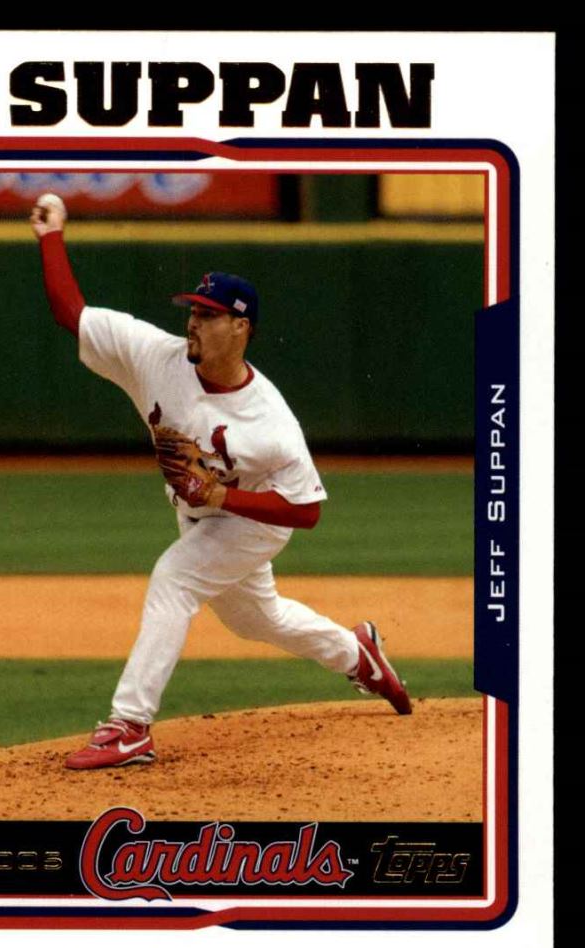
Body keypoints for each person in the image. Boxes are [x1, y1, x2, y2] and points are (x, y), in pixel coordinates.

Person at [30, 195, 412, 771]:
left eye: (208, 315)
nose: (193, 322)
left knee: (174, 578)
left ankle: (129, 726)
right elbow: (71, 313)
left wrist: (221, 495)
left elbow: (306, 511)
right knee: (257, 619)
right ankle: (357, 654)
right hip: (201, 517)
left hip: (252, 520)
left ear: (240, 327)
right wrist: (50, 236)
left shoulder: (270, 421)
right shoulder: (155, 357)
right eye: (192, 311)